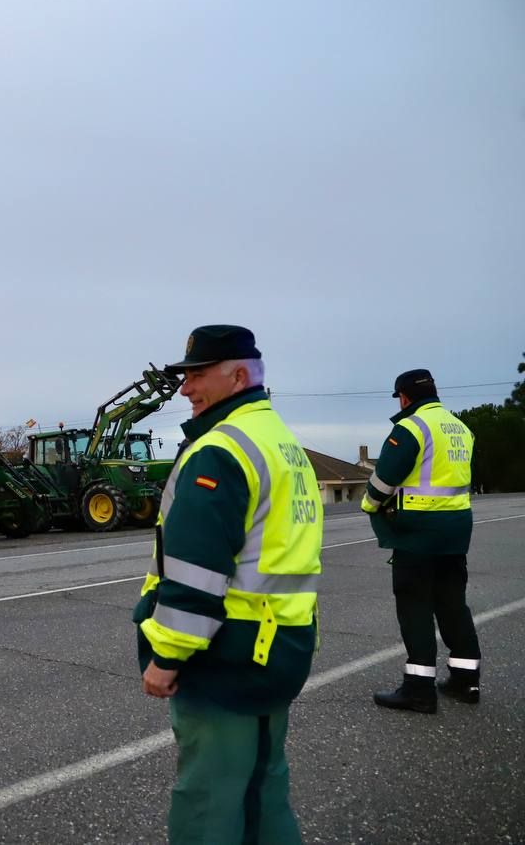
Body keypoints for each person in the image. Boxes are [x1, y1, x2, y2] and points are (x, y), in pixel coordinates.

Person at [134, 324, 322, 844]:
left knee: (208, 802)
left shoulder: (219, 451)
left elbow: (196, 574)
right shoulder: (282, 444)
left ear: (237, 375)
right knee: (265, 789)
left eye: (196, 374)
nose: (184, 388)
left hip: (226, 657)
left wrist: (166, 657)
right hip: (279, 645)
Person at [363, 369, 481, 713]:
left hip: (418, 531)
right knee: (452, 602)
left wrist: (369, 504)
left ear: (403, 397)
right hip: (457, 527)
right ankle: (465, 680)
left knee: (415, 603)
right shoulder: (461, 428)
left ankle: (418, 689)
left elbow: (385, 478)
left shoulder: (412, 427)